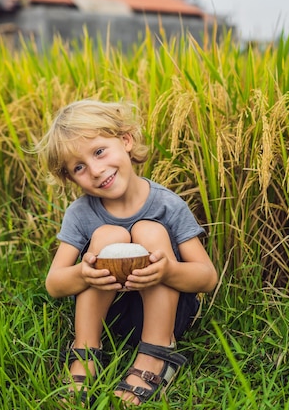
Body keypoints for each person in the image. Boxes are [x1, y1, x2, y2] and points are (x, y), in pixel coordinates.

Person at [36, 99, 218, 406]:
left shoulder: (167, 205)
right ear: (70, 179)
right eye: (79, 167)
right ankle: (86, 353)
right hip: (111, 316)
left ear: (126, 140)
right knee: (109, 235)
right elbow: (54, 284)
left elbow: (207, 278)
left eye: (99, 151)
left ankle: (156, 354)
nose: (95, 170)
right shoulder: (81, 213)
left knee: (151, 231)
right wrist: (84, 272)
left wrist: (168, 271)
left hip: (168, 314)